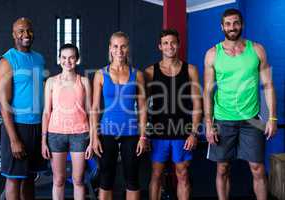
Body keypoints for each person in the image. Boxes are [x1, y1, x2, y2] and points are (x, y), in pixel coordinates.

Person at [203, 8, 277, 200]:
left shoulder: (257, 50)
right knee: (223, 168)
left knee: (257, 168)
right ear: (222, 27)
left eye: (235, 23)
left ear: (242, 25)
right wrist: (209, 124)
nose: (232, 27)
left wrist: (272, 117)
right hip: (222, 119)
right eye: (228, 24)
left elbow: (268, 85)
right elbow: (208, 91)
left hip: (251, 120)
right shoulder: (212, 54)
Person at [145, 29, 202, 200]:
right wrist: (144, 134)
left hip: (182, 131)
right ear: (160, 47)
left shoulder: (190, 70)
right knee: (156, 175)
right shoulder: (150, 71)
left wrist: (193, 133)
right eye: (165, 43)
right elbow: (142, 106)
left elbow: (197, 103)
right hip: (158, 131)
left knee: (182, 174)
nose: (170, 46)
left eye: (173, 42)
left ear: (178, 44)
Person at [0, 17, 46, 200]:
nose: (26, 34)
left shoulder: (39, 58)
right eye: (21, 31)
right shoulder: (7, 61)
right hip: (17, 127)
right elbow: (4, 104)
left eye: (29, 30)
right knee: (14, 179)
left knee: (31, 177)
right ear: (13, 34)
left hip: (37, 126)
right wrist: (14, 139)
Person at [92, 31, 147, 200]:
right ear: (110, 48)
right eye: (115, 46)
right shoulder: (101, 74)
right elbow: (94, 107)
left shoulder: (137, 74)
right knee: (106, 179)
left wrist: (143, 137)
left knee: (132, 179)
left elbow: (143, 107)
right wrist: (94, 136)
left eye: (123, 46)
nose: (119, 50)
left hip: (131, 133)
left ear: (128, 48)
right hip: (107, 132)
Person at [41, 43, 92, 200]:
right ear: (59, 59)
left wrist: (92, 140)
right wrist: (43, 141)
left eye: (71, 57)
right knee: (58, 180)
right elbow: (46, 112)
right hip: (56, 134)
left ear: (77, 59)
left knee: (78, 180)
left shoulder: (83, 81)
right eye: (64, 57)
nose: (67, 61)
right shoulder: (51, 82)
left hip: (80, 134)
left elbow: (90, 112)